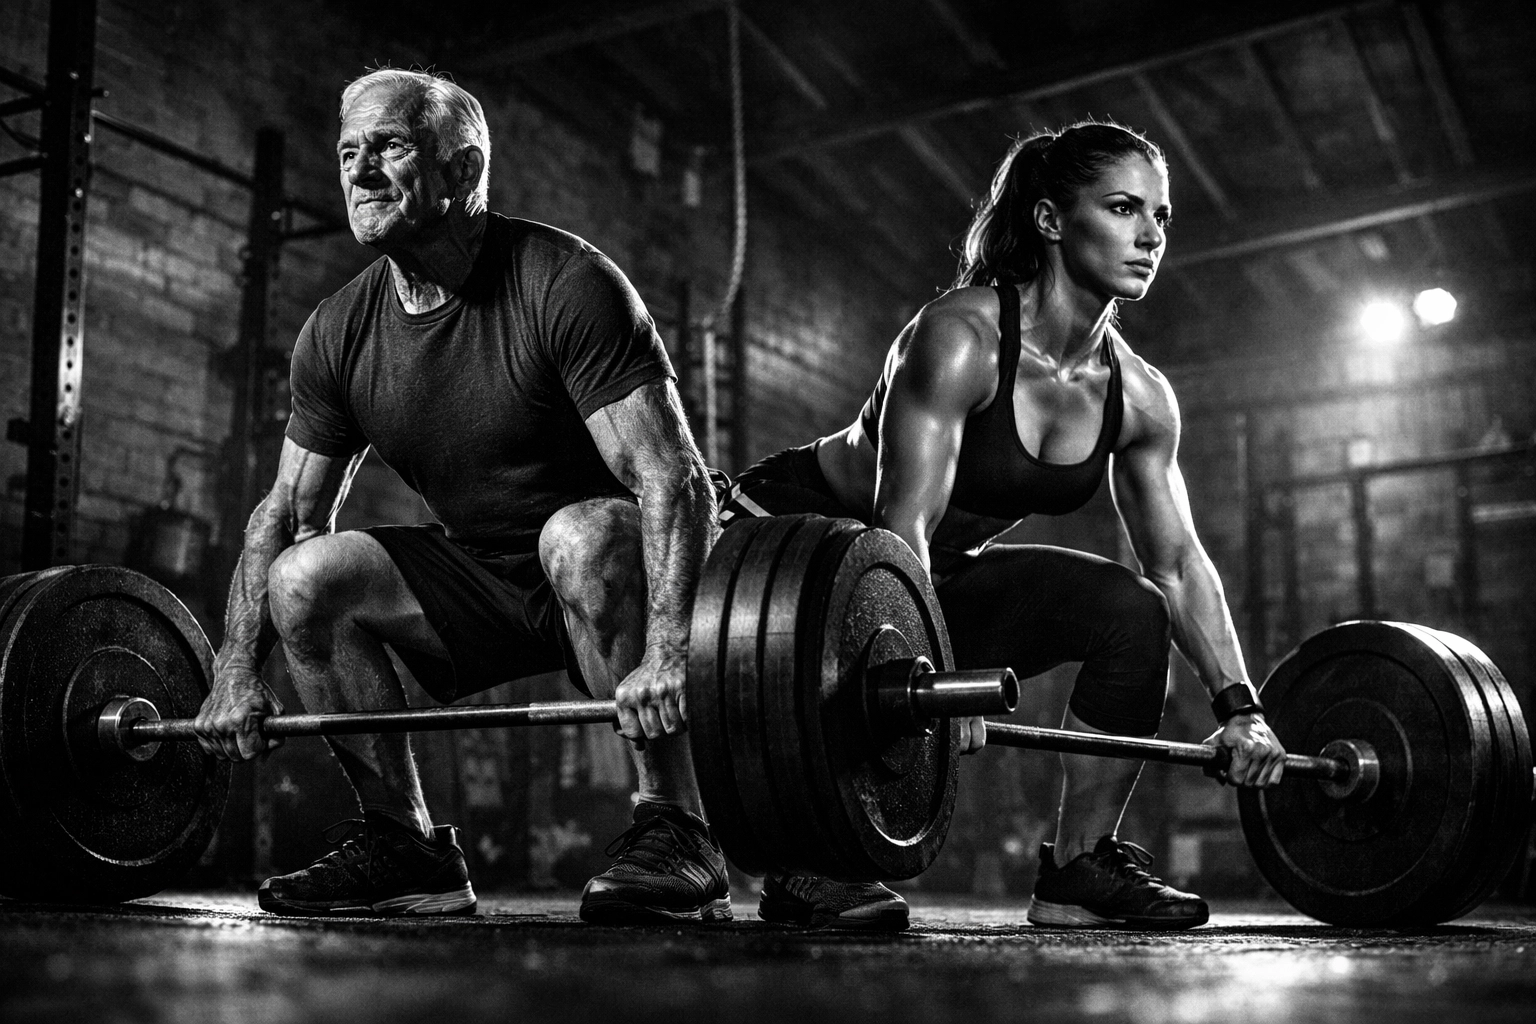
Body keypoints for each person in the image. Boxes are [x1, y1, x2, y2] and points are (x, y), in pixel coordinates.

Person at [192, 67, 728, 925]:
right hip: (482, 579)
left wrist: (668, 650)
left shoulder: (564, 282)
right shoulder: (339, 331)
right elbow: (286, 514)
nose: (361, 173)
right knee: (303, 577)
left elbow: (671, 476)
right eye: (348, 153)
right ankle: (405, 846)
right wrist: (233, 671)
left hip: (615, 568)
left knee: (581, 535)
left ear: (464, 170)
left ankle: (678, 825)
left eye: (391, 148)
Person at [721, 121, 1287, 931]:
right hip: (795, 547)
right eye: (1125, 209)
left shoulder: (1142, 395)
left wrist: (1241, 707)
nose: (1151, 237)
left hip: (921, 579)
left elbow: (1178, 564)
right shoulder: (962, 337)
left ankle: (1078, 868)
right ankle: (808, 865)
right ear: (1053, 220)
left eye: (1162, 217)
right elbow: (897, 525)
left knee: (1131, 611)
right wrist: (937, 682)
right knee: (840, 665)